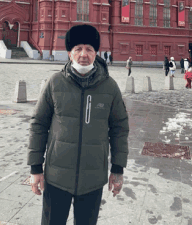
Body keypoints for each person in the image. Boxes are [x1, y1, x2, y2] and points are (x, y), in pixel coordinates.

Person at [27, 24, 129, 225]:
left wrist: (117, 169)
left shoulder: (109, 86)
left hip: (93, 180)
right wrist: (35, 168)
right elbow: (38, 124)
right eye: (78, 49)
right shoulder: (55, 83)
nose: (84, 54)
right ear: (69, 53)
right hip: (56, 178)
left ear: (96, 52)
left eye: (89, 49)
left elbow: (119, 128)